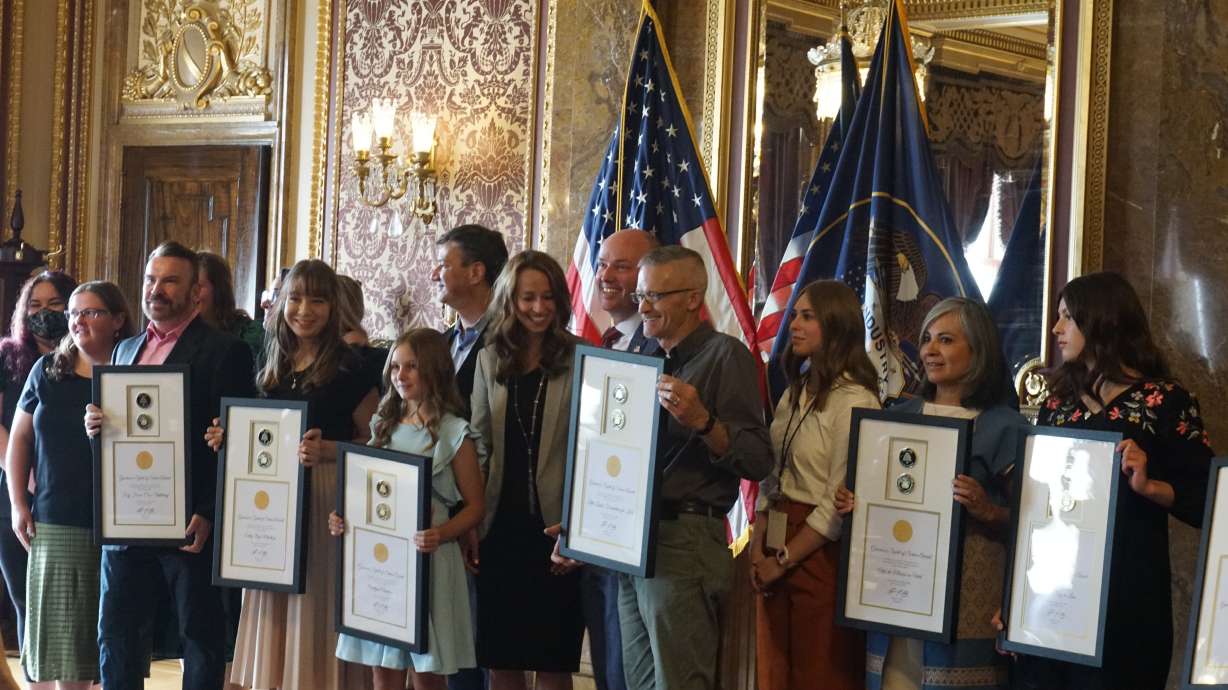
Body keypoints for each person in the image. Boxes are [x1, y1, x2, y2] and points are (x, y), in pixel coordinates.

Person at [1011, 272, 1214, 690]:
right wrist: (1015, 598)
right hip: (1053, 596)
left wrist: (1151, 485)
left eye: (1067, 317)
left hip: (1129, 600)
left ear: (1100, 320)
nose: (1056, 328)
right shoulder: (1056, 401)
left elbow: (1209, 500)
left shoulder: (1166, 399)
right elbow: (1035, 506)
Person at [84, 241, 256, 690]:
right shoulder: (124, 351)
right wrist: (97, 424)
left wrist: (209, 510)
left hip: (188, 523)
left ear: (196, 291)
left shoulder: (226, 352)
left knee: (199, 636)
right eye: (150, 279)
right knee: (117, 635)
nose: (156, 289)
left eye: (169, 281)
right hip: (126, 521)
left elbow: (232, 441)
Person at [835, 297, 1031, 690]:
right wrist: (856, 506)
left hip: (966, 605)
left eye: (945, 340)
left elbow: (1031, 527)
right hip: (895, 596)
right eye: (926, 339)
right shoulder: (895, 418)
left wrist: (988, 510)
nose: (929, 350)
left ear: (977, 351)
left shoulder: (1003, 426)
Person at [217, 259, 380, 690]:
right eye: (295, 298)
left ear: (334, 307)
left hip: (327, 500)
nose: (304, 309)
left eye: (317, 299)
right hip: (271, 505)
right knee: (274, 608)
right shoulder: (272, 361)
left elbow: (378, 444)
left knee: (316, 606)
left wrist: (331, 450)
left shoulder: (354, 365)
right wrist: (229, 439)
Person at [619, 246, 773, 690]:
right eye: (641, 296)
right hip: (631, 538)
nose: (643, 307)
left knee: (681, 682)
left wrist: (703, 421)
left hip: (685, 538)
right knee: (641, 683)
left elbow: (757, 459)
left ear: (692, 298)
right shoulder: (641, 355)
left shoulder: (727, 357)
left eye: (655, 297)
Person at [330, 328, 486, 690]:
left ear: (435, 370)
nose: (401, 375)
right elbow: (366, 494)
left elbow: (475, 507)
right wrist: (343, 518)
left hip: (430, 562)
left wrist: (441, 535)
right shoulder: (382, 427)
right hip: (384, 564)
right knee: (382, 669)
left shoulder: (454, 433)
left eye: (412, 366)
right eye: (396, 367)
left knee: (427, 673)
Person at [750, 280, 880, 690]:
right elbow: (774, 475)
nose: (794, 324)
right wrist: (758, 546)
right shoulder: (795, 392)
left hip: (819, 552)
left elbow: (836, 504)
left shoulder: (855, 400)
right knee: (775, 670)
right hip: (775, 535)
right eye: (795, 315)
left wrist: (783, 559)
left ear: (836, 325)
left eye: (808, 316)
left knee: (819, 670)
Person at [7, 281, 135, 688]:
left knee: (109, 645)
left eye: (92, 312)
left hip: (120, 522)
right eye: (74, 313)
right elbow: (19, 440)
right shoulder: (46, 370)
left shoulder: (136, 371)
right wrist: (17, 503)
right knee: (61, 652)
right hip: (56, 519)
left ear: (117, 320)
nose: (79, 321)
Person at [469, 250, 583, 690]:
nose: (539, 308)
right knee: (502, 656)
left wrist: (578, 528)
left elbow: (590, 453)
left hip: (557, 531)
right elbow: (480, 445)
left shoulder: (582, 357)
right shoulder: (488, 359)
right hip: (500, 528)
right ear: (509, 301)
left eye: (548, 297)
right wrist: (471, 520)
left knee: (552, 658)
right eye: (527, 298)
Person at [580, 228, 661, 690]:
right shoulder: (599, 346)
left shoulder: (661, 349)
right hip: (594, 542)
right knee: (607, 670)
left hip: (637, 544)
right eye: (603, 263)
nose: (606, 275)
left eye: (622, 266)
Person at [432, 223, 506, 690]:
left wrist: (476, 515)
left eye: (444, 264)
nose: (435, 272)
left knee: (482, 645)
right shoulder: (440, 345)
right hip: (441, 516)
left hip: (484, 517)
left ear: (476, 271)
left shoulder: (508, 343)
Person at [0, 270, 75, 658]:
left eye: (54, 304)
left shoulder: (86, 357)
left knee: (65, 611)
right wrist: (22, 474)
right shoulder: (8, 356)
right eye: (34, 305)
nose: (43, 313)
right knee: (24, 600)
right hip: (15, 490)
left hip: (68, 494)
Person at [197, 251, 265, 359]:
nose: (190, 294)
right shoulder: (183, 335)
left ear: (219, 290)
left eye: (198, 286)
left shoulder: (250, 335)